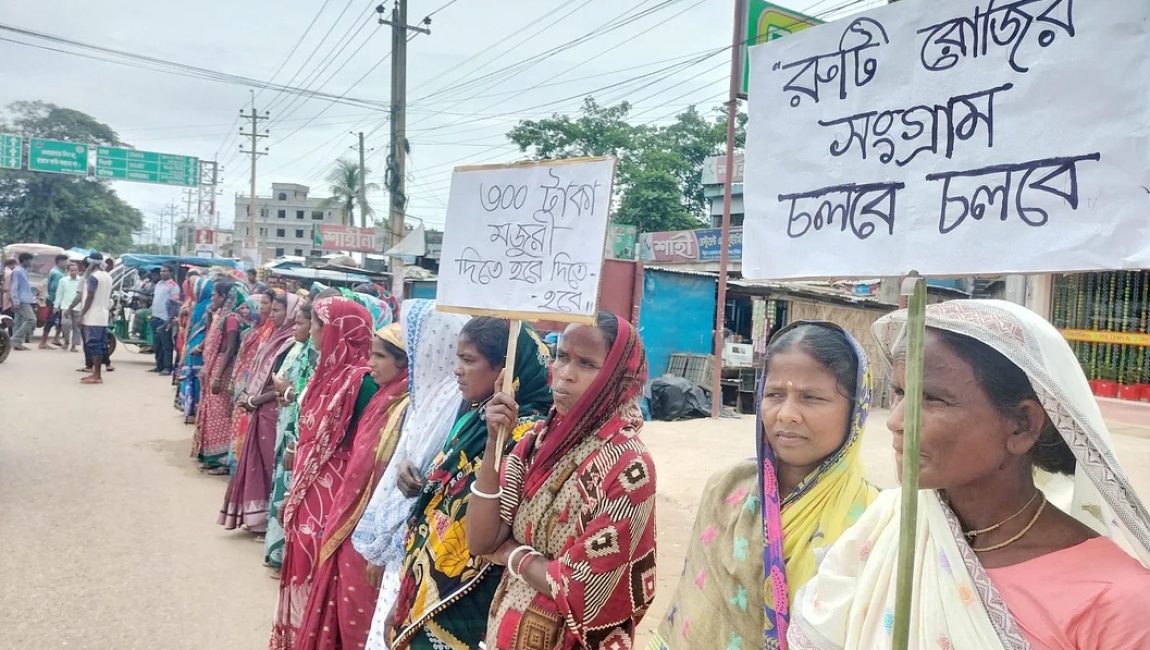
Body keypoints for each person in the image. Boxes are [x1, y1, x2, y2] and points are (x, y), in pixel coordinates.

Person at [788, 300, 1150, 650]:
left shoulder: (1116, 599)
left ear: (1022, 425)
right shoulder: (890, 527)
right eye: (900, 392)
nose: (897, 421)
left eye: (931, 398)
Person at [648, 322, 876, 649]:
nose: (787, 414)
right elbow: (694, 615)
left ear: (856, 409)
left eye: (811, 398)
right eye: (774, 395)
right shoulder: (727, 490)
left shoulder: (874, 521)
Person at [467, 312, 658, 650]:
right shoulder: (535, 443)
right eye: (562, 357)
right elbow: (482, 541)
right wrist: (495, 441)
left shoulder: (628, 465)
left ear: (617, 377)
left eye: (586, 364)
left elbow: (586, 591)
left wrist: (515, 556)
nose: (565, 375)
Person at [390, 318, 553, 649]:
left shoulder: (530, 437)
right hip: (426, 580)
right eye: (457, 359)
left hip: (467, 596)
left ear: (505, 372)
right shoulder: (473, 419)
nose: (457, 370)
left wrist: (497, 439)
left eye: (469, 360)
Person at [353, 300, 469, 650]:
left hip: (420, 545)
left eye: (419, 341)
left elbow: (432, 475)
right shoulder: (428, 395)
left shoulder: (456, 398)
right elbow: (406, 463)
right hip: (403, 540)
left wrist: (387, 546)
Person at [270, 297, 382, 649]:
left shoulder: (363, 383)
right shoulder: (325, 372)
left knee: (317, 565)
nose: (314, 331)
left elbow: (367, 446)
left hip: (333, 492)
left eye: (319, 324)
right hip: (309, 483)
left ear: (338, 331)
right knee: (301, 559)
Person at [295, 323, 412, 649]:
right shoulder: (381, 399)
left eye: (379, 357)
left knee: (358, 614)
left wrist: (377, 541)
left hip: (372, 533)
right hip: (351, 521)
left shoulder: (405, 407)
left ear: (404, 362)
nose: (370, 363)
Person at [220, 292, 303, 533]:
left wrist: (256, 399)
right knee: (257, 462)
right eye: (271, 308)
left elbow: (286, 384)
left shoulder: (291, 343)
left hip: (273, 410)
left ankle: (265, 520)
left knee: (268, 466)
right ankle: (254, 517)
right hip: (261, 408)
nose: (272, 313)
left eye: (277, 310)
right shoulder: (275, 335)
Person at [265, 303, 319, 570]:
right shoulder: (300, 351)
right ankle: (278, 553)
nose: (295, 327)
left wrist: (286, 393)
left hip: (302, 439)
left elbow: (306, 397)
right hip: (290, 431)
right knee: (283, 490)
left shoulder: (319, 359)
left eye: (302, 323)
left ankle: (289, 558)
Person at [193, 281, 248, 474]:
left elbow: (230, 348)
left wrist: (217, 376)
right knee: (211, 409)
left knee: (221, 413)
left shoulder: (231, 319)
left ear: (224, 297)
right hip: (216, 366)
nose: (212, 299)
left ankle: (222, 459)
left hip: (223, 370)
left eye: (214, 295)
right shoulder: (220, 316)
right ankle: (210, 456)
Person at [228, 290, 275, 470]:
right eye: (260, 304)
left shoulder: (269, 332)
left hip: (253, 387)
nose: (261, 308)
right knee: (238, 424)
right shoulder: (253, 330)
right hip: (243, 382)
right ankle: (235, 468)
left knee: (244, 426)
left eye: (264, 304)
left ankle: (240, 468)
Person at [178, 274, 214, 423]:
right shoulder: (199, 305)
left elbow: (210, 329)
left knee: (196, 379)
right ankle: (190, 408)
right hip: (194, 346)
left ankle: (195, 409)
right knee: (192, 378)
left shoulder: (207, 307)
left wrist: (200, 346)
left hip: (199, 347)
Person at [79, 254, 113, 384]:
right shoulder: (107, 276)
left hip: (93, 315)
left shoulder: (93, 277)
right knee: (100, 343)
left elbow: (90, 296)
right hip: (103, 314)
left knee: (94, 344)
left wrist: (82, 314)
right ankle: (96, 373)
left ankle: (97, 375)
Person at [148, 264, 182, 375]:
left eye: (165, 271)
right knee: (157, 344)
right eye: (161, 271)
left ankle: (167, 367)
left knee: (166, 344)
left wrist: (170, 320)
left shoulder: (173, 286)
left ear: (171, 273)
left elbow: (174, 304)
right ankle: (159, 365)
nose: (162, 273)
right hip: (155, 317)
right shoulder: (159, 284)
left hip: (165, 319)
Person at [38, 254, 68, 349]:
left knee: (60, 320)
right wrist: (58, 302)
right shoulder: (58, 274)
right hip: (55, 300)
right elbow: (55, 288)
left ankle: (56, 338)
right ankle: (43, 342)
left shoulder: (56, 271)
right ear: (60, 262)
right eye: (65, 261)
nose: (67, 264)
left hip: (53, 299)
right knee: (51, 320)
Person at [9, 252, 37, 351]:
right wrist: (16, 301)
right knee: (32, 320)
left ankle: (17, 343)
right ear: (24, 260)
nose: (31, 262)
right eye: (30, 260)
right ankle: (15, 339)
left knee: (19, 321)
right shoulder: (17, 271)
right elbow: (14, 287)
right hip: (21, 301)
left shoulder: (24, 271)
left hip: (25, 299)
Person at [54, 262, 83, 352]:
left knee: (76, 327)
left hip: (78, 307)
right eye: (71, 270)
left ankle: (74, 345)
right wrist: (56, 306)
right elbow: (59, 294)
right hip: (65, 306)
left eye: (75, 270)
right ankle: (66, 341)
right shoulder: (63, 281)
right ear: (68, 271)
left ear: (78, 271)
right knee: (65, 324)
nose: (73, 272)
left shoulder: (82, 281)